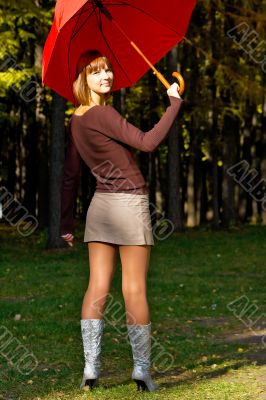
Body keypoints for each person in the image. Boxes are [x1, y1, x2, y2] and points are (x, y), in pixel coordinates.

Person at [60, 50, 183, 392]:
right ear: (82, 78)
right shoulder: (102, 113)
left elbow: (71, 174)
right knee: (134, 288)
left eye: (108, 71)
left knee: (97, 287)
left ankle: (89, 370)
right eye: (96, 72)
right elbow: (147, 142)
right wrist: (173, 104)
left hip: (100, 207)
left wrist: (66, 224)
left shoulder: (76, 119)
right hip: (128, 204)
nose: (106, 77)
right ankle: (142, 371)